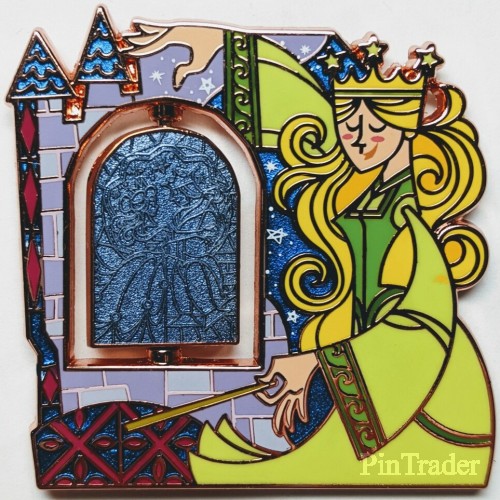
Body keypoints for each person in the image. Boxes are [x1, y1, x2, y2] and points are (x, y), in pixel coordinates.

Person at [126, 28, 493, 486]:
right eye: (349, 127)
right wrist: (212, 41)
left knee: (224, 468)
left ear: (406, 129)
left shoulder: (411, 215)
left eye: (376, 128)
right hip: (375, 382)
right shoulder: (361, 199)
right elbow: (289, 87)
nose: (359, 141)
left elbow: (420, 324)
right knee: (219, 459)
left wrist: (317, 361)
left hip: (430, 404)